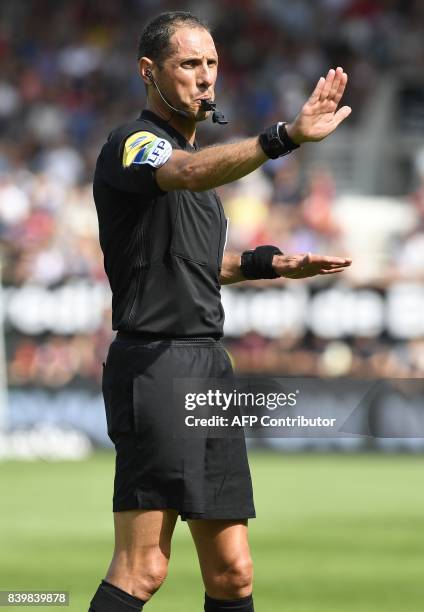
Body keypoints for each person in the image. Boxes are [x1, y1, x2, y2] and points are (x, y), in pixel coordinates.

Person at [89, 11, 352, 612]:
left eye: (211, 64)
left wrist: (267, 266)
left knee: (233, 573)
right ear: (147, 72)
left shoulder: (199, 168)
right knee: (144, 568)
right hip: (156, 364)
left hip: (209, 366)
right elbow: (180, 173)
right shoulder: (135, 141)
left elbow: (191, 263)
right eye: (189, 64)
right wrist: (281, 137)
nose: (206, 78)